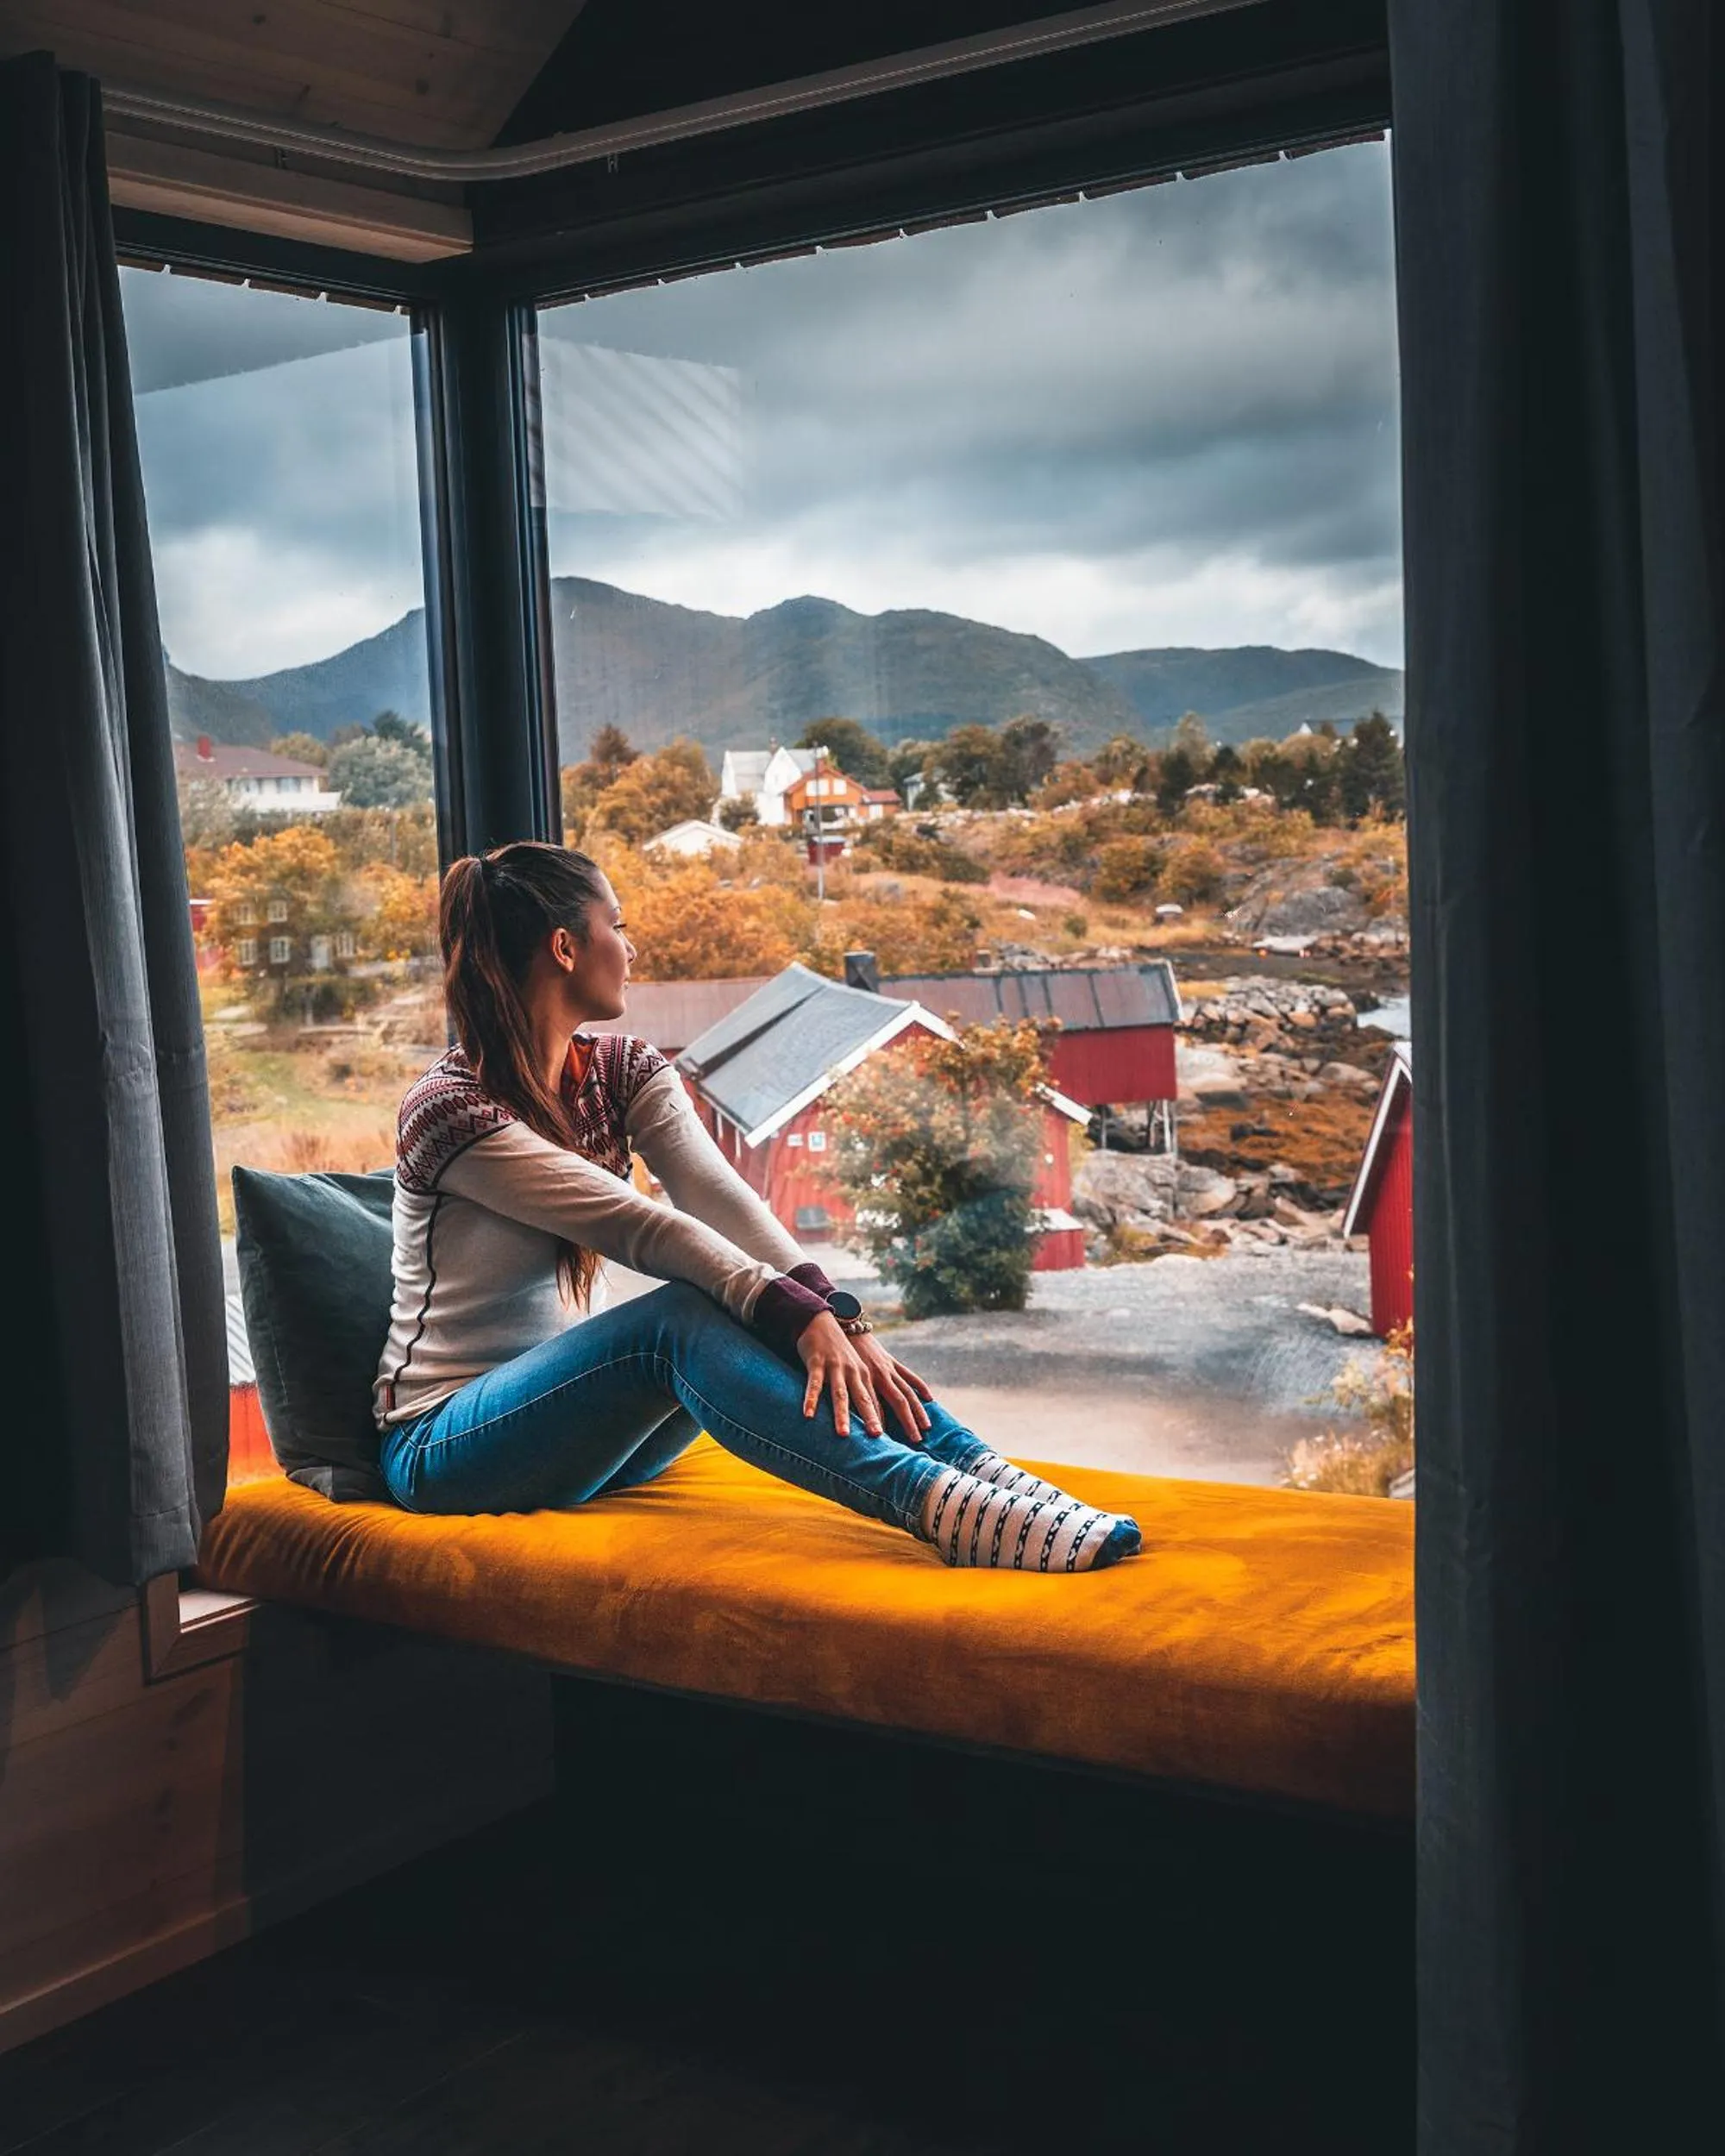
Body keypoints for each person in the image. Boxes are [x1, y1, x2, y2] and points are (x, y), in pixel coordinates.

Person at [373, 841, 1140, 1573]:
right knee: (679, 1316)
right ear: (565, 948)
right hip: (447, 1447)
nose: (631, 949)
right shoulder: (451, 1112)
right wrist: (793, 1313)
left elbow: (723, 1203)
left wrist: (836, 1315)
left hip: (574, 1436)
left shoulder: (623, 1071)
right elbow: (644, 1227)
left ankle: (971, 1465)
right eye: (619, 925)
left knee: (743, 1297)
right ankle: (934, 1505)